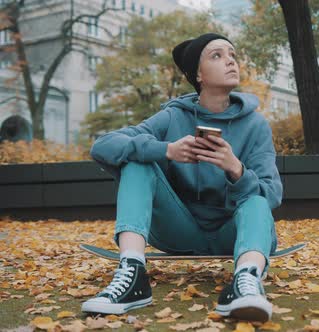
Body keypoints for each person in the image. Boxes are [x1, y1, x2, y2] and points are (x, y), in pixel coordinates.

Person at [81, 33, 282, 323]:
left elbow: (272, 194)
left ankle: (246, 281)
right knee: (138, 163)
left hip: (235, 233)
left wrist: (236, 170)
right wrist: (165, 150)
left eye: (232, 55)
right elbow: (102, 146)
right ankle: (133, 273)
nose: (230, 60)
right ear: (198, 74)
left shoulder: (256, 124)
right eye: (217, 55)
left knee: (257, 199)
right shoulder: (173, 117)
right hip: (179, 230)